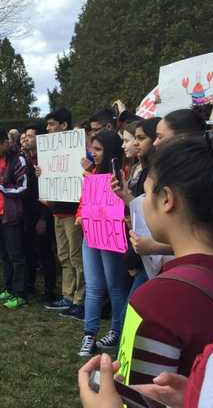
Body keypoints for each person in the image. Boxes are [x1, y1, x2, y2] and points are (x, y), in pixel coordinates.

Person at [79, 70, 213, 406]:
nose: (141, 203)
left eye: (145, 194)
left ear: (167, 199)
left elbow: (137, 394)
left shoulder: (154, 302)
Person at [76, 130, 131, 357]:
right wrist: (81, 214)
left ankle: (116, 331)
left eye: (98, 149)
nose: (93, 153)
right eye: (93, 149)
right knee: (94, 286)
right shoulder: (93, 174)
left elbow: (128, 203)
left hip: (111, 234)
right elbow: (85, 201)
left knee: (114, 286)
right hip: (91, 233)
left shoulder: (122, 174)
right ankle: (89, 333)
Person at [41, 108, 85, 319]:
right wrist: (43, 174)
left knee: (77, 258)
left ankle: (81, 299)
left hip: (73, 212)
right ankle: (68, 296)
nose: (48, 129)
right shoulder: (49, 152)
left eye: (52, 124)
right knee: (64, 256)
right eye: (47, 125)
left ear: (64, 126)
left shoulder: (77, 149)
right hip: (57, 211)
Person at [0, 127, 32, 309]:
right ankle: (8, 289)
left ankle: (21, 294)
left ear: (5, 142)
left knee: (16, 256)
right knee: (4, 255)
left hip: (13, 216)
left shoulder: (18, 159)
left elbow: (23, 188)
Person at [21, 123, 58, 302]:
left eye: (30, 135)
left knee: (45, 253)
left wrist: (44, 217)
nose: (26, 138)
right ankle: (29, 286)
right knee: (28, 251)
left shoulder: (47, 159)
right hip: (26, 212)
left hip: (43, 212)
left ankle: (49, 290)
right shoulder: (25, 158)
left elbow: (47, 190)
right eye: (26, 135)